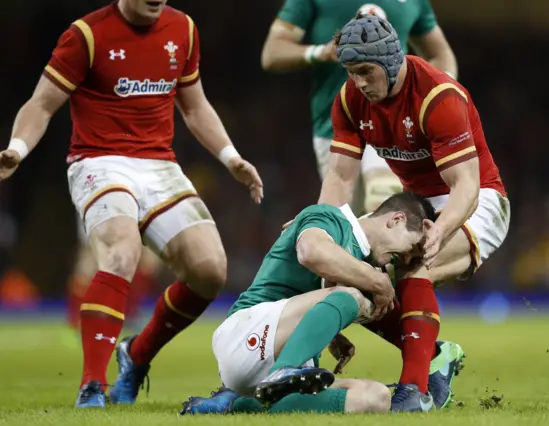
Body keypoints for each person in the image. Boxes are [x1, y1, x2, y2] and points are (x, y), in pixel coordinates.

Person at [0, 0, 263, 408]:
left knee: (210, 271)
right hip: (99, 162)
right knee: (122, 251)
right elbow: (41, 103)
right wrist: (17, 149)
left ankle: (136, 355)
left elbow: (195, 106)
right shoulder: (86, 35)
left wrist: (231, 158)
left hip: (159, 165)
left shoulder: (183, 29)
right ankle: (92, 384)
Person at [316, 13, 510, 411]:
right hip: (417, 204)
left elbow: (466, 186)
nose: (359, 83)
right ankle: (435, 357)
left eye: (366, 71)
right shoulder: (351, 101)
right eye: (351, 72)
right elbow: (338, 178)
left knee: (414, 264)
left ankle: (414, 392)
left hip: (478, 202)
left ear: (390, 60)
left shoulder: (438, 97)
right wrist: (323, 245)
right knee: (354, 277)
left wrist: (440, 231)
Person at [180, 193, 436, 415]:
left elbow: (319, 292)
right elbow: (311, 252)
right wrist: (376, 282)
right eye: (411, 247)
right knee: (355, 297)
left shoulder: (362, 259)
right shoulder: (330, 217)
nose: (404, 258)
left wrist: (330, 328)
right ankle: (282, 372)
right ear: (396, 219)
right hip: (246, 337)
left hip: (276, 364)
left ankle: (234, 405)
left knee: (375, 397)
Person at [261, 0, 457, 214]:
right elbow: (272, 52)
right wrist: (320, 52)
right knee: (345, 222)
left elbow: (440, 54)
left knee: (387, 208)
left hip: (393, 118)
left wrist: (439, 101)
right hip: (335, 126)